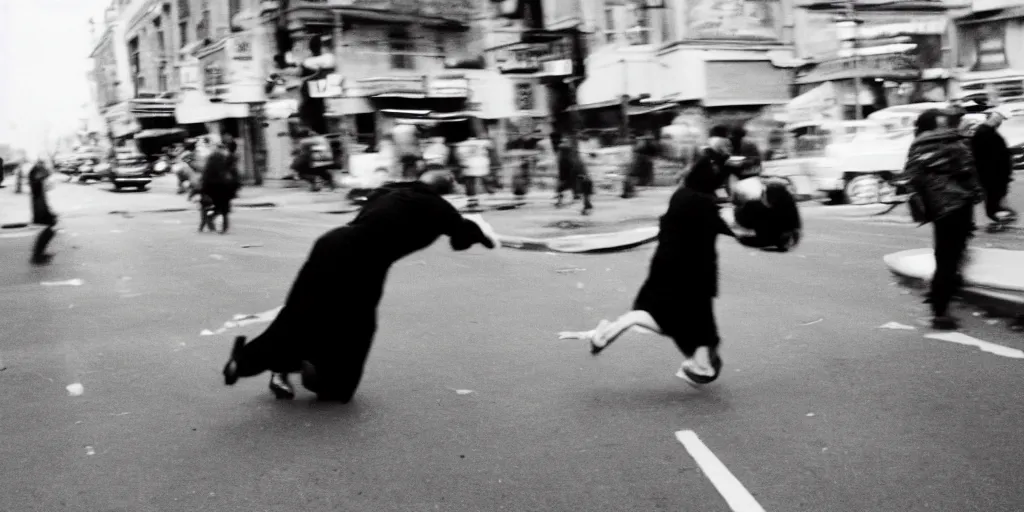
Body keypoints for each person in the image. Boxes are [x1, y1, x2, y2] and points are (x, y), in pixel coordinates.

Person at [221, 170, 499, 402]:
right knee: (356, 327)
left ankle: (245, 362)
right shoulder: (439, 208)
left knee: (300, 312)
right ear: (444, 189)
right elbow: (461, 239)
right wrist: (483, 236)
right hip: (365, 265)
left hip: (331, 244)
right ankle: (332, 384)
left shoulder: (390, 192)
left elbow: (374, 196)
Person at [558, 129, 737, 386]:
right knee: (697, 328)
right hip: (693, 277)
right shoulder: (704, 202)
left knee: (657, 315)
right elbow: (734, 226)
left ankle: (607, 333)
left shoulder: (683, 195)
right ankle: (700, 365)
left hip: (666, 268)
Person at [903, 109, 984, 330]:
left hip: (938, 207)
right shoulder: (953, 142)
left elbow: (912, 176)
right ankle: (941, 310)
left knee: (944, 253)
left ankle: (941, 292)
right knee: (952, 254)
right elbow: (969, 170)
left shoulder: (917, 144)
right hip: (958, 204)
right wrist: (974, 193)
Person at [970, 106, 1017, 232]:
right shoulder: (985, 133)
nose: (1000, 123)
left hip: (994, 174)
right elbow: (990, 156)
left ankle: (1002, 218)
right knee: (995, 200)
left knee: (995, 200)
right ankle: (1002, 218)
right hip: (992, 174)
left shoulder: (986, 132)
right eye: (1000, 120)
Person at [199, 143, 241, 234]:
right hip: (223, 187)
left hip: (214, 187)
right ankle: (222, 227)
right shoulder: (225, 159)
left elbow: (206, 176)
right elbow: (233, 174)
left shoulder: (214, 159)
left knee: (214, 207)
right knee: (223, 208)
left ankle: (208, 222)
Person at [28, 159, 58, 265]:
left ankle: (38, 254)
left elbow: (46, 176)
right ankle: (37, 256)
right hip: (40, 208)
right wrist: (44, 167)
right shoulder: (35, 177)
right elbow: (46, 174)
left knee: (51, 229)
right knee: (50, 229)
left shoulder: (36, 177)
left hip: (41, 206)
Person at [554, 135, 593, 215]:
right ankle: (585, 203)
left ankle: (585, 203)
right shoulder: (572, 158)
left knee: (581, 185)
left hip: (577, 177)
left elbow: (565, 173)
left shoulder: (568, 159)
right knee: (582, 186)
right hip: (578, 176)